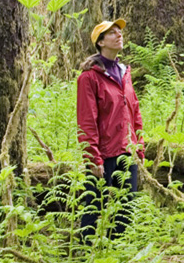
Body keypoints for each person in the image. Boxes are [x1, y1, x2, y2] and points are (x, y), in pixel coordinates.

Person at [76, 18, 145, 240]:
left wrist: (139, 147)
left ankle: (116, 252)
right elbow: (87, 120)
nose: (119, 35)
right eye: (112, 33)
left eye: (120, 32)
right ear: (101, 42)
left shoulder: (125, 74)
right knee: (93, 208)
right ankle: (84, 253)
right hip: (104, 155)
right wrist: (92, 157)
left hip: (128, 152)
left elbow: (135, 111)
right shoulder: (89, 78)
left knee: (125, 210)